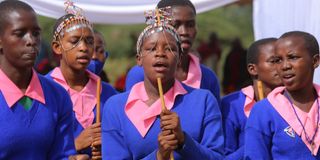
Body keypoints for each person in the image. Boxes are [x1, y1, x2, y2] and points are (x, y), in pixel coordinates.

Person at [102, 7, 224, 160]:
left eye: (170, 48)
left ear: (179, 58)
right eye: (152, 49)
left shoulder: (204, 101)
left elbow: (218, 157)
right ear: (139, 59)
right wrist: (158, 156)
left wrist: (184, 142)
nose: (160, 53)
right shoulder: (116, 106)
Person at [0, 0, 76, 159]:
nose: (31, 41)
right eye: (20, 33)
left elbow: (61, 154)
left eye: (35, 33)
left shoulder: (57, 95)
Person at [45, 1, 117, 159]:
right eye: (74, 41)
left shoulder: (108, 93)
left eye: (89, 41)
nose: (84, 47)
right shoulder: (43, 91)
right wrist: (75, 145)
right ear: (58, 47)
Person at [125, 0, 221, 104]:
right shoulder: (140, 74)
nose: (184, 32)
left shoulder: (207, 77)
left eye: (190, 25)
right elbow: (132, 115)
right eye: (176, 25)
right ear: (159, 28)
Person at [244, 31, 320, 159]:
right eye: (278, 60)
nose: (284, 66)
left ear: (315, 61)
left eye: (293, 57)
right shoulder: (264, 111)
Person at [222, 38, 282, 159]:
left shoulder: (295, 101)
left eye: (284, 60)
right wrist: (258, 141)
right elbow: (224, 156)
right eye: (274, 61)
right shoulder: (232, 105)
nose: (283, 66)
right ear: (252, 69)